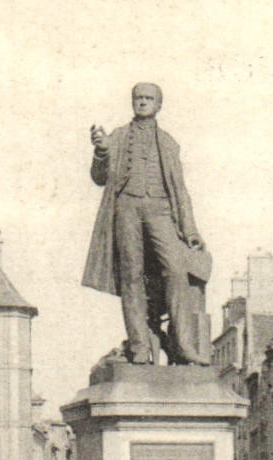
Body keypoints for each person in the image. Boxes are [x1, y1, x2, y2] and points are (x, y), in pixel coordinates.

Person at [82, 82, 210, 366]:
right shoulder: (117, 136)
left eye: (148, 98)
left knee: (176, 271)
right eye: (138, 98)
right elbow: (99, 177)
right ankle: (140, 346)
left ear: (158, 105)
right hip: (126, 207)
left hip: (161, 209)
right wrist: (102, 151)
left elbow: (181, 190)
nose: (142, 102)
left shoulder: (168, 142)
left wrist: (190, 230)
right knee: (131, 276)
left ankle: (184, 345)